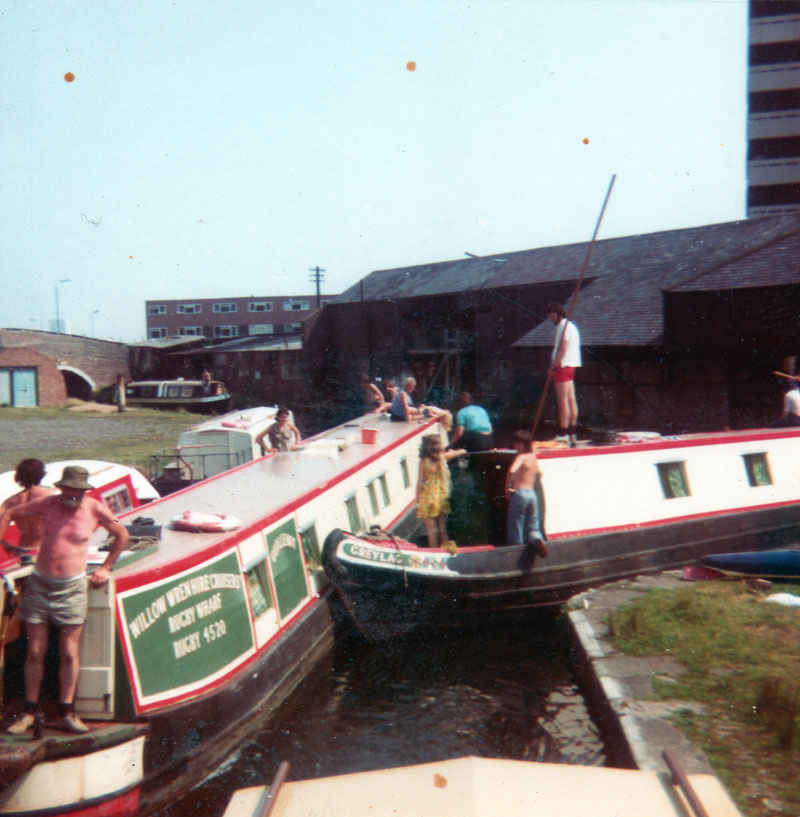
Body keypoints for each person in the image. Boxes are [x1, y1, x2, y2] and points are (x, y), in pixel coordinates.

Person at [0, 466, 130, 734]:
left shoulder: (96, 509)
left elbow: (122, 534)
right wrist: (4, 541)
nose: (73, 494)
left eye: (78, 490)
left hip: (72, 588)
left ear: (85, 490)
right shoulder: (47, 503)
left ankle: (67, 713)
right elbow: (11, 512)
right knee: (35, 651)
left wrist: (105, 567)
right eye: (69, 489)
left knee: (69, 653)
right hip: (39, 584)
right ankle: (29, 711)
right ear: (62, 487)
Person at [416, 435, 465, 548]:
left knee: (431, 529)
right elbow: (462, 451)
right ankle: (445, 550)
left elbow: (419, 482)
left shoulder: (424, 462)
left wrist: (417, 501)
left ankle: (434, 552)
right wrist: (458, 450)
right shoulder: (443, 457)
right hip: (441, 496)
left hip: (428, 497)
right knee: (442, 528)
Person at [504, 430, 548, 557]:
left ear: (524, 444)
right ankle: (536, 539)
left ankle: (515, 550)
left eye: (519, 443)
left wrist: (507, 488)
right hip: (532, 494)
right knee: (533, 525)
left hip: (520, 493)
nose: (516, 446)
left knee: (516, 524)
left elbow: (512, 471)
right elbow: (539, 473)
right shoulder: (533, 457)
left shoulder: (521, 457)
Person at [546, 302, 581, 447]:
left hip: (562, 366)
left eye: (552, 316)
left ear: (558, 314)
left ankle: (563, 434)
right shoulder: (570, 326)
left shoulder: (564, 327)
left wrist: (553, 366)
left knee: (563, 402)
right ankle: (572, 433)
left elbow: (563, 349)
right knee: (571, 400)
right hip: (570, 366)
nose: (550, 319)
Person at [0, 459, 53, 555]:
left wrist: (6, 544)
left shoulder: (10, 502)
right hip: (45, 549)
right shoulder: (49, 495)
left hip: (22, 551)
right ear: (42, 474)